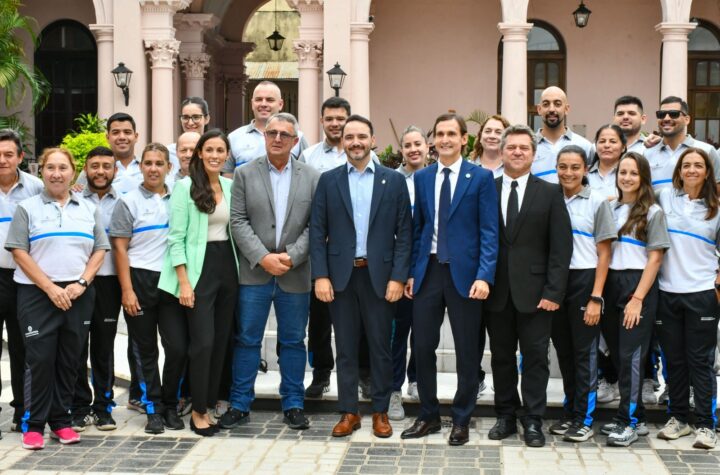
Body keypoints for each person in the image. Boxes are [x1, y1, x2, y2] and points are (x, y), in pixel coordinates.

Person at [310, 114, 412, 439]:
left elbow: (404, 233)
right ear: (343, 142)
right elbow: (317, 232)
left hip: (380, 277)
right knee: (345, 348)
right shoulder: (329, 181)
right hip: (341, 278)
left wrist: (398, 277)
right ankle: (349, 411)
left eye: (361, 136)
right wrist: (320, 276)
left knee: (381, 347)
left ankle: (380, 411)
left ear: (372, 140)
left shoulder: (393, 181)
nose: (355, 142)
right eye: (349, 137)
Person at [400, 113, 498, 446]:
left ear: (464, 139)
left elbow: (489, 231)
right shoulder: (423, 177)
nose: (444, 139)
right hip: (428, 272)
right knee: (422, 346)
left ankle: (461, 418)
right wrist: (412, 272)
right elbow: (418, 228)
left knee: (467, 350)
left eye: (451, 134)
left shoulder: (481, 177)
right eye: (439, 134)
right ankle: (428, 415)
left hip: (466, 276)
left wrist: (484, 275)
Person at [220, 113, 319, 430]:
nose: (277, 138)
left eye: (284, 134)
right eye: (272, 132)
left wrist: (292, 256)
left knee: (293, 342)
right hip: (254, 274)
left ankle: (293, 403)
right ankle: (239, 404)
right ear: (264, 136)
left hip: (295, 273)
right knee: (247, 340)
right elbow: (237, 221)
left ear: (295, 141)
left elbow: (316, 225)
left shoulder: (312, 177)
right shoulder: (244, 173)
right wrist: (263, 257)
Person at [5, 148, 109, 450]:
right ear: (42, 172)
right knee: (39, 359)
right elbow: (19, 251)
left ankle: (61, 421)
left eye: (63, 168)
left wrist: (82, 282)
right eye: (50, 167)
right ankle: (33, 424)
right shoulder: (27, 208)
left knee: (70, 360)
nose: (56, 173)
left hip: (78, 293)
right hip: (37, 293)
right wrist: (50, 288)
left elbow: (100, 249)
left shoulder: (88, 208)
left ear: (73, 172)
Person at [485, 124, 573, 448]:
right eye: (511, 147)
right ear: (501, 152)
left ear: (534, 155)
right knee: (501, 357)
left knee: (536, 358)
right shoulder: (487, 189)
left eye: (524, 147)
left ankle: (533, 419)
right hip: (496, 292)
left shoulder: (549, 192)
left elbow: (561, 248)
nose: (517, 152)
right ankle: (506, 415)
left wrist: (553, 292)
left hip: (537, 296)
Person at [158, 129, 238, 436]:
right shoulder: (185, 187)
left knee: (220, 342)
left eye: (220, 150)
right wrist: (184, 282)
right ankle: (198, 412)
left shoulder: (229, 186)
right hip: (197, 269)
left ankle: (208, 403)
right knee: (202, 343)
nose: (215, 155)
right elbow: (175, 238)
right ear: (200, 153)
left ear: (227, 155)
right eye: (210, 150)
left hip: (226, 266)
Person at [109, 143, 188, 435]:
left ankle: (171, 404)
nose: (153, 168)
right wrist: (127, 290)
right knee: (145, 350)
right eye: (148, 163)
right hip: (139, 280)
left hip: (171, 280)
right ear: (141, 166)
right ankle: (152, 407)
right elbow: (119, 249)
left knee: (178, 347)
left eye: (159, 163)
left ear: (169, 167)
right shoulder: (127, 202)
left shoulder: (179, 197)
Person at [299, 97, 374, 400]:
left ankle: (364, 374)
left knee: (363, 319)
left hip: (357, 254)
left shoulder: (366, 155)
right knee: (319, 319)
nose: (335, 123)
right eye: (329, 118)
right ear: (322, 121)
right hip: (322, 251)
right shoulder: (308, 156)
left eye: (340, 118)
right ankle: (321, 373)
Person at [600, 152, 670, 447]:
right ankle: (637, 417)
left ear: (643, 178)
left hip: (637, 286)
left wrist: (638, 298)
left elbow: (655, 259)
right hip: (611, 284)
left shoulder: (653, 212)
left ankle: (626, 422)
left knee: (631, 357)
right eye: (622, 172)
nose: (626, 178)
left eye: (633, 173)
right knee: (618, 355)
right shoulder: (610, 207)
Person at [549, 145, 616, 442]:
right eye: (563, 166)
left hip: (585, 280)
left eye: (575, 167)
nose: (568, 173)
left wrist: (596, 296)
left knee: (584, 353)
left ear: (586, 169)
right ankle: (569, 411)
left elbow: (605, 253)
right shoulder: (550, 198)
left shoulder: (597, 202)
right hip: (556, 282)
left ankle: (584, 418)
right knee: (564, 352)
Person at [655, 148, 720, 449]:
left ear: (707, 172)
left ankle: (706, 424)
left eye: (698, 165)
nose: (692, 170)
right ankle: (678, 418)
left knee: (700, 361)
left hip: (702, 292)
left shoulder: (716, 206)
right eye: (687, 165)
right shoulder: (664, 197)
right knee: (675, 360)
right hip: (667, 291)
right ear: (679, 171)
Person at [71, 147, 122, 432]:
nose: (100, 171)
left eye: (106, 166)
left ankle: (103, 407)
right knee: (76, 346)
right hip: (78, 281)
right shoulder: (73, 198)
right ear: (85, 169)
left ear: (115, 170)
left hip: (110, 282)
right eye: (95, 166)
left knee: (104, 347)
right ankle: (79, 406)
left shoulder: (124, 200)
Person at [0, 129, 43, 436]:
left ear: (20, 157)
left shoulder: (35, 188)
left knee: (22, 347)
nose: (2, 160)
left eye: (8, 154)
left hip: (24, 278)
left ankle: (22, 411)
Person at [388, 125, 428, 421]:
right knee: (397, 333)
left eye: (418, 144)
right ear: (401, 150)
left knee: (424, 332)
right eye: (408, 145)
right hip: (398, 268)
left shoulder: (436, 178)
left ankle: (417, 380)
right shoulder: (391, 180)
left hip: (428, 268)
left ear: (427, 147)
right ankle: (393, 390)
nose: (413, 149)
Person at [223, 81, 308, 176]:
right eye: (259, 99)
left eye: (269, 100)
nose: (263, 104)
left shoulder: (297, 137)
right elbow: (228, 177)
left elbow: (306, 174)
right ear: (252, 104)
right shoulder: (234, 138)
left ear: (280, 104)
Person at [645, 96, 720, 190]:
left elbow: (717, 189)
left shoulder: (707, 151)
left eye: (673, 114)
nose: (666, 118)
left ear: (687, 119)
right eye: (661, 114)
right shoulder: (647, 154)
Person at [533, 86, 594, 183]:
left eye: (557, 104)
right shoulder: (528, 146)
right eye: (546, 104)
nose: (551, 109)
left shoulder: (584, 146)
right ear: (539, 109)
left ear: (566, 109)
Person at [168, 97, 210, 169]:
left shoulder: (214, 150)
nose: (190, 123)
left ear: (207, 119)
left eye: (196, 117)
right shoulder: (169, 152)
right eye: (185, 117)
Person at [588, 124, 627, 201]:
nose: (606, 145)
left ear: (623, 147)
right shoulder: (584, 173)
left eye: (613, 141)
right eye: (602, 141)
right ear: (596, 146)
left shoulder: (630, 174)